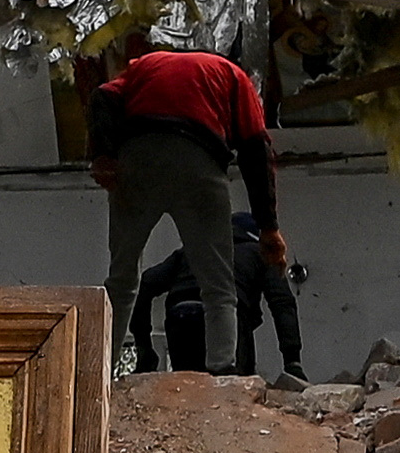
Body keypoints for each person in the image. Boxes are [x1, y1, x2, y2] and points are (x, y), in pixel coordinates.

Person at [88, 25, 282, 375]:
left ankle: (101, 371)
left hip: (138, 160)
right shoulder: (232, 74)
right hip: (199, 163)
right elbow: (255, 149)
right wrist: (268, 228)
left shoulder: (146, 64)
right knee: (218, 285)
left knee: (122, 278)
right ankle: (222, 371)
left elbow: (102, 96)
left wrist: (103, 155)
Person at [134, 212, 304, 380]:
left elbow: (144, 284)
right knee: (233, 385)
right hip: (226, 319)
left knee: (190, 385)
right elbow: (282, 302)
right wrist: (292, 361)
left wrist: (144, 349)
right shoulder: (260, 253)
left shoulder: (190, 252)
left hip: (181, 321)